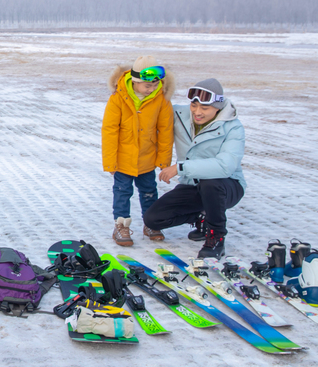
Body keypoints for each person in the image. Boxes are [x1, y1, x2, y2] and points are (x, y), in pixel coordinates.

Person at [143, 78, 246, 259]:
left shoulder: (233, 127)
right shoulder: (180, 115)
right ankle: (202, 218)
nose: (197, 112)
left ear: (218, 107)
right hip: (192, 185)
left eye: (205, 109)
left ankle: (216, 238)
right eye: (194, 105)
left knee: (211, 183)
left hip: (227, 186)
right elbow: (152, 109)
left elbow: (225, 166)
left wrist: (180, 167)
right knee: (153, 218)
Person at [101, 56, 175, 247]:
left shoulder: (161, 100)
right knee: (122, 192)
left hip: (147, 159)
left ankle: (151, 224)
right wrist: (110, 162)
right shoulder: (118, 98)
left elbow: (165, 130)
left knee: (149, 192)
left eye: (155, 84)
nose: (151, 88)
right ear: (134, 81)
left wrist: (163, 159)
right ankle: (121, 226)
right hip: (123, 160)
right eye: (146, 85)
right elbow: (109, 130)